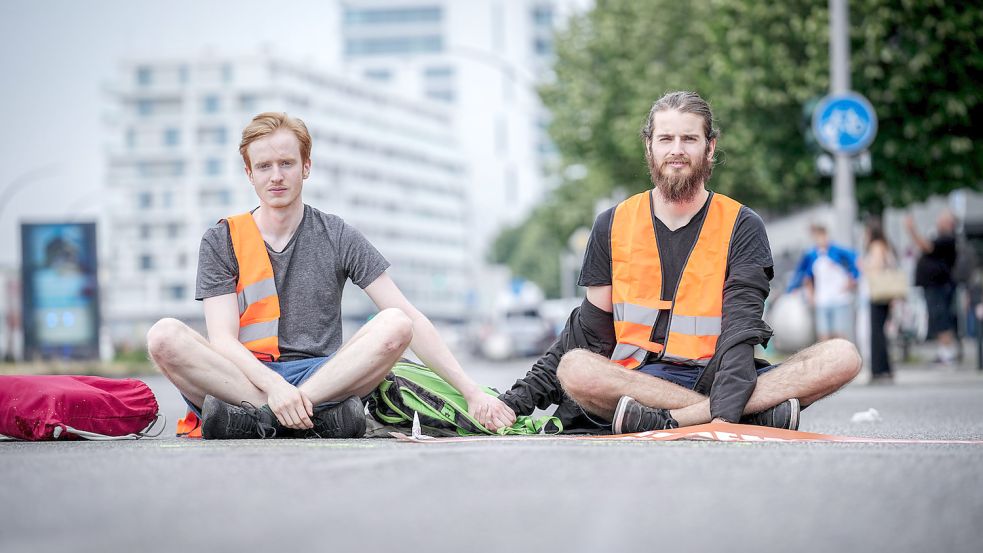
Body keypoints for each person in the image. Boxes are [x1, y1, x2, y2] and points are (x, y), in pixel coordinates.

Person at [497, 91, 861, 434]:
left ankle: (670, 420)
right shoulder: (612, 224)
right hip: (632, 382)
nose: (677, 150)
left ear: (710, 147)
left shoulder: (742, 224)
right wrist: (512, 404)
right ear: (649, 147)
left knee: (842, 356)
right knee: (574, 367)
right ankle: (754, 413)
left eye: (689, 139)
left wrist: (723, 417)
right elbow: (583, 337)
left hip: (715, 377)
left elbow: (739, 333)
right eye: (666, 139)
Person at [146, 112, 515, 439]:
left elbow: (411, 318)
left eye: (287, 163)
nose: (276, 176)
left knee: (397, 324)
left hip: (322, 377)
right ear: (249, 173)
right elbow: (223, 341)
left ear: (306, 167)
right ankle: (303, 417)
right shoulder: (221, 238)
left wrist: (471, 392)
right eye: (264, 166)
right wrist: (274, 387)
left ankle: (259, 420)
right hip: (243, 377)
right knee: (163, 337)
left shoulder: (337, 235)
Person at [787, 224, 860, 342]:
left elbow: (855, 261)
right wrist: (809, 294)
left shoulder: (837, 252)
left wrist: (852, 281)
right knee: (824, 335)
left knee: (840, 334)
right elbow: (806, 275)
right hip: (822, 300)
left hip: (839, 299)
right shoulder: (812, 255)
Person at [906, 210, 959, 365]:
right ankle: (943, 351)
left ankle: (947, 353)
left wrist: (912, 230)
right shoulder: (941, 238)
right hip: (934, 286)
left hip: (940, 286)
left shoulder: (948, 239)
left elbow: (926, 247)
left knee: (942, 318)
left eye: (942, 220)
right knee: (937, 319)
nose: (938, 222)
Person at [862, 219, 898, 383]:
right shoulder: (886, 245)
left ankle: (879, 370)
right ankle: (886, 368)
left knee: (876, 333)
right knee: (881, 332)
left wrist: (862, 265)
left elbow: (876, 268)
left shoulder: (876, 246)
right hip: (885, 295)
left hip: (878, 294)